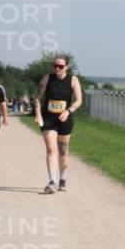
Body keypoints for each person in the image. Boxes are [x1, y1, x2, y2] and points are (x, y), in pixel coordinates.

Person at [33, 56, 82, 194]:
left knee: (63, 151)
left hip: (64, 118)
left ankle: (63, 179)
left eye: (60, 66)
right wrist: (38, 113)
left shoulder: (73, 80)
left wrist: (68, 111)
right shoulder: (47, 78)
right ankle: (52, 181)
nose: (57, 68)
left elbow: (79, 101)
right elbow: (37, 97)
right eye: (55, 66)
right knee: (51, 149)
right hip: (48, 118)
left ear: (66, 67)